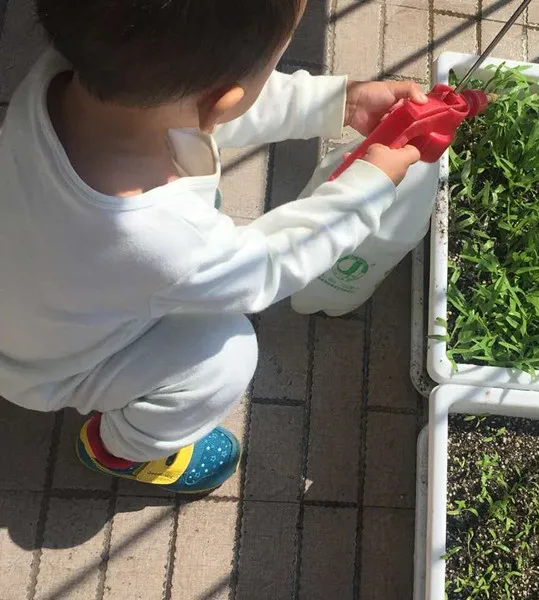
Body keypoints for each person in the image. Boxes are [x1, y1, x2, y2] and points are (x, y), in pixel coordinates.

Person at [0, 0, 424, 493]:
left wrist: (341, 103)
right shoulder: (166, 238)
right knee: (226, 356)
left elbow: (200, 109)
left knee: (191, 182)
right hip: (46, 366)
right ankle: (120, 448)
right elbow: (269, 266)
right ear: (222, 98)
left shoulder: (65, 76)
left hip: (40, 286)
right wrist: (368, 187)